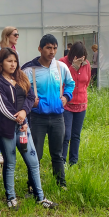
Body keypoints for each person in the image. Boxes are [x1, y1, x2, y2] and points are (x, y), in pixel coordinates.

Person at [0, 48, 58, 210]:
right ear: (1, 63)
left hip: (23, 127)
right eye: (9, 61)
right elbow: (2, 107)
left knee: (33, 162)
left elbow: (31, 97)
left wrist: (23, 112)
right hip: (6, 129)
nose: (13, 64)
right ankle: (11, 197)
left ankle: (40, 197)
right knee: (10, 163)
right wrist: (19, 118)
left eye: (15, 61)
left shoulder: (21, 76)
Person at [21, 34, 75, 189]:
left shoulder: (61, 67)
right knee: (35, 155)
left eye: (55, 48)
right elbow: (21, 90)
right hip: (38, 118)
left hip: (58, 117)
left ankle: (61, 184)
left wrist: (66, 96)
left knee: (57, 154)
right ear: (40, 49)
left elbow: (71, 83)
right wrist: (31, 101)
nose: (52, 51)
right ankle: (32, 186)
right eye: (48, 48)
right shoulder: (29, 69)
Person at [58, 42, 91, 166]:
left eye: (82, 58)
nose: (81, 61)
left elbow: (86, 82)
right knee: (66, 134)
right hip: (67, 103)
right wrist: (73, 67)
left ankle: (73, 161)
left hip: (81, 103)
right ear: (72, 55)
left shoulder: (86, 64)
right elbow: (61, 81)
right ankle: (62, 161)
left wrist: (81, 93)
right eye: (78, 58)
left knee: (76, 135)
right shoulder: (62, 62)